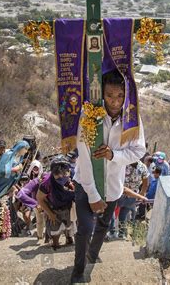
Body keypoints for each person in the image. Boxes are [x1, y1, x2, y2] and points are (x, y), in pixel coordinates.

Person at [71, 69, 146, 283]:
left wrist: (114, 155)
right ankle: (77, 272)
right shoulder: (90, 114)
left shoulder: (132, 117)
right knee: (85, 229)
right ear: (102, 94)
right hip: (86, 184)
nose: (115, 102)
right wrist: (93, 195)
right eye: (110, 96)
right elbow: (84, 158)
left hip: (114, 185)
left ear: (127, 95)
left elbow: (139, 150)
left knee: (103, 226)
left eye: (120, 96)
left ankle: (91, 257)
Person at [36, 155, 75, 250]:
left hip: (68, 207)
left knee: (69, 227)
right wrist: (50, 213)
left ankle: (68, 238)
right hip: (54, 208)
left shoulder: (73, 176)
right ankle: (55, 242)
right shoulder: (47, 183)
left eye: (64, 174)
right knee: (55, 230)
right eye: (57, 175)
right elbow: (40, 198)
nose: (61, 177)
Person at [116, 161, 148, 239]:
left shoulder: (141, 167)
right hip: (123, 193)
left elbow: (145, 183)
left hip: (130, 195)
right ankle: (122, 232)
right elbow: (145, 183)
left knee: (123, 213)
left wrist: (141, 194)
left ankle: (121, 232)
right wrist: (141, 194)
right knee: (122, 213)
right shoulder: (124, 164)